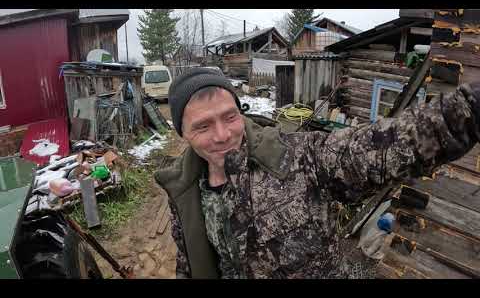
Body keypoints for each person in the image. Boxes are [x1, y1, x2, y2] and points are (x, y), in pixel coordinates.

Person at [154, 67, 480, 279]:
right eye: (203, 126)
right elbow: (189, 264)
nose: (223, 135)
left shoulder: (300, 155)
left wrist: (468, 110)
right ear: (181, 132)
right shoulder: (183, 188)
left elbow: (379, 147)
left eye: (229, 117)